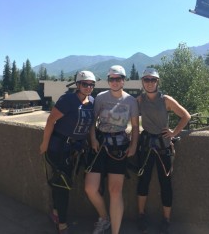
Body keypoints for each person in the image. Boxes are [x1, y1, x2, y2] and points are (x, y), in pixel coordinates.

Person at [40, 70, 96, 234]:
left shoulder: (92, 101)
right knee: (62, 185)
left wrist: (93, 140)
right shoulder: (68, 100)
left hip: (74, 150)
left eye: (91, 85)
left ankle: (57, 214)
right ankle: (62, 224)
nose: (88, 87)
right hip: (59, 148)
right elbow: (51, 119)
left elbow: (91, 124)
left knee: (62, 183)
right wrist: (44, 143)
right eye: (85, 84)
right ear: (78, 85)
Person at [84, 65, 139, 234]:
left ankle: (115, 231)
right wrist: (93, 138)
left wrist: (134, 145)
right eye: (111, 79)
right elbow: (93, 121)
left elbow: (135, 126)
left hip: (119, 147)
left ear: (123, 80)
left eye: (118, 79)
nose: (114, 82)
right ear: (108, 81)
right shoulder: (100, 97)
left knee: (115, 191)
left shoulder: (130, 101)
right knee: (90, 188)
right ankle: (104, 217)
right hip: (99, 145)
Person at [136, 67, 191, 234]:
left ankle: (166, 219)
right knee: (143, 182)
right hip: (146, 145)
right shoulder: (140, 100)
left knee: (165, 183)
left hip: (163, 146)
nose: (150, 83)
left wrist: (174, 132)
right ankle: (141, 215)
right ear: (143, 82)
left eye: (153, 80)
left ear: (157, 82)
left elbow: (185, 115)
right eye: (147, 80)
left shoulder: (165, 100)